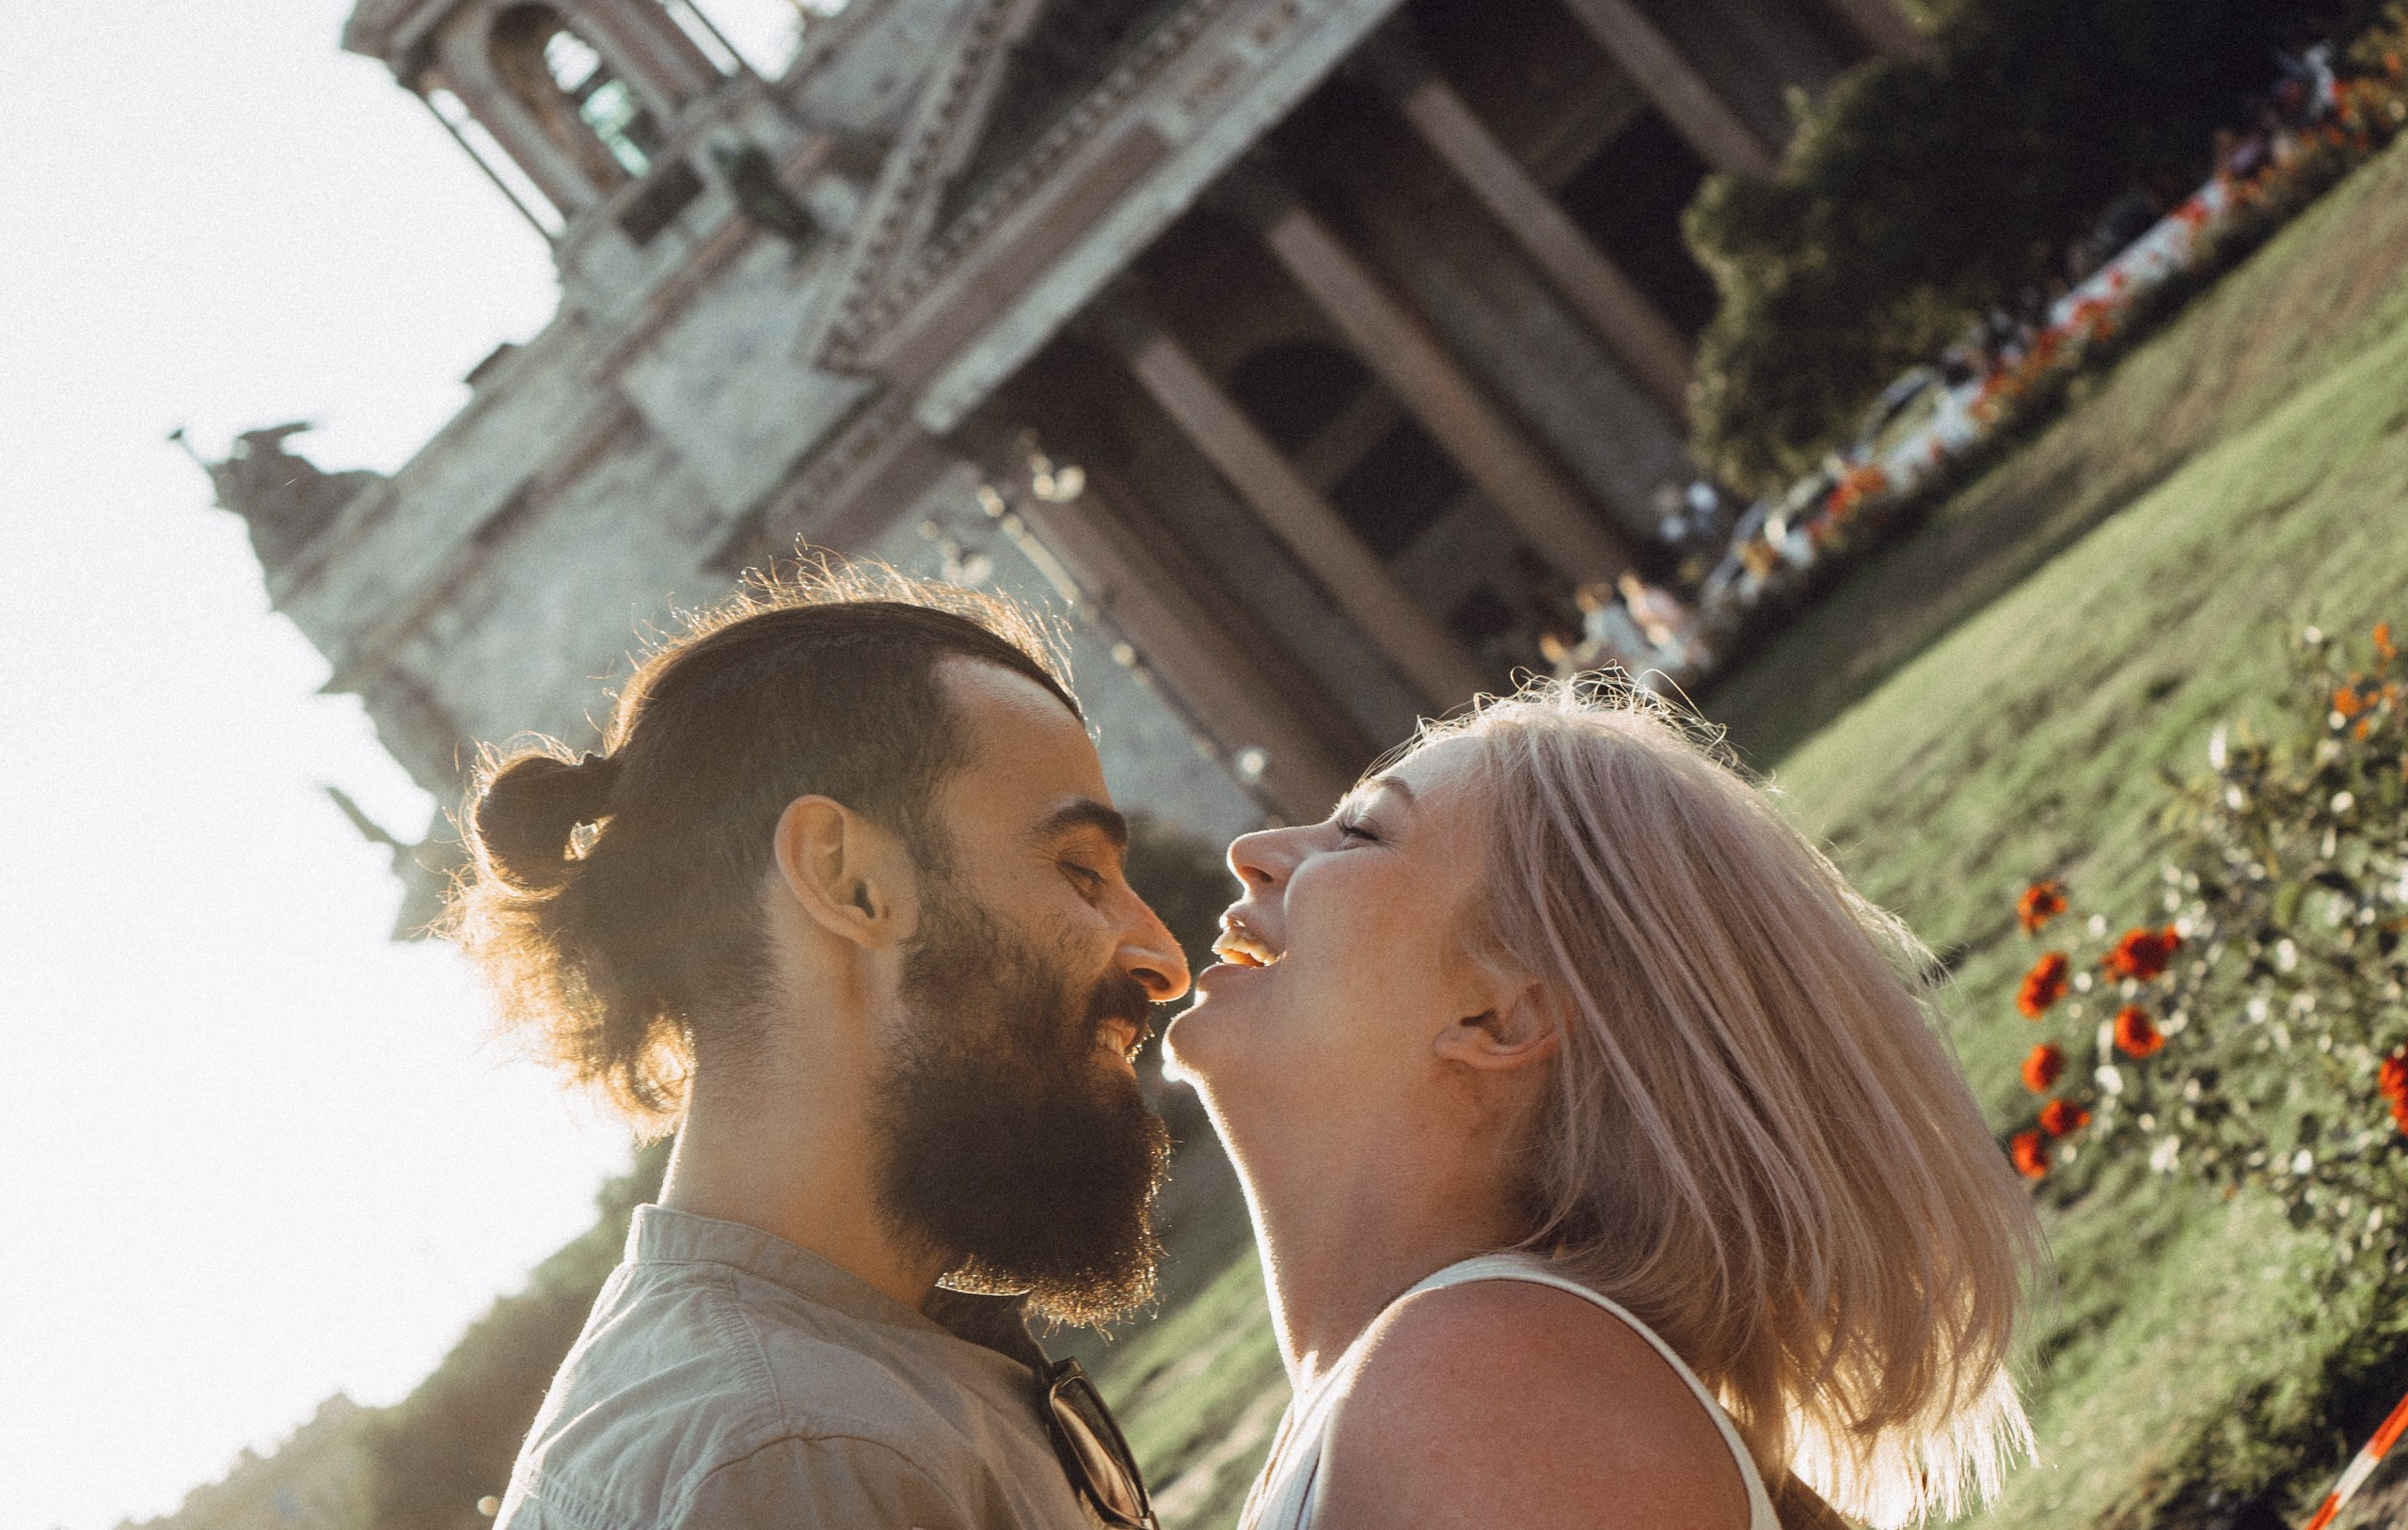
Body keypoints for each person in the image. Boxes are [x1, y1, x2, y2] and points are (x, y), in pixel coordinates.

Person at [1166, 679, 2044, 1530]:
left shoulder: (1475, 1388)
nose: (1256, 849)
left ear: (1500, 1014)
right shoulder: (1448, 1378)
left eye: (1359, 833)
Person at [449, 566, 1188, 1529]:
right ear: (850, 883)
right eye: (1079, 871)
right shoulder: (799, 1457)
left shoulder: (828, 1397)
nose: (1164, 958)